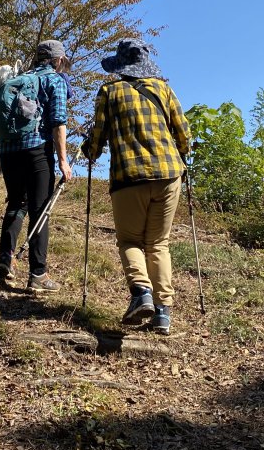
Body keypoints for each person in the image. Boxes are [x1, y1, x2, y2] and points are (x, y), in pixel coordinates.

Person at [81, 39, 191, 334]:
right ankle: (163, 312)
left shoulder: (109, 91)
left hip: (129, 175)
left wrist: (88, 150)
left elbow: (98, 136)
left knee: (130, 240)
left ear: (120, 66)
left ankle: (141, 293)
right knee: (158, 243)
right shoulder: (163, 89)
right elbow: (183, 133)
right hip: (169, 174)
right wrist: (181, 152)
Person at [0, 40, 73, 292]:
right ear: (59, 60)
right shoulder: (55, 80)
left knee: (17, 202)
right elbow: (58, 122)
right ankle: (38, 274)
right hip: (36, 150)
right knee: (40, 210)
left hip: (8, 150)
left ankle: (5, 260)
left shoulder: (21, 77)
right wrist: (63, 161)